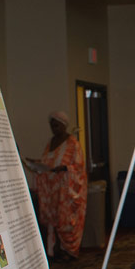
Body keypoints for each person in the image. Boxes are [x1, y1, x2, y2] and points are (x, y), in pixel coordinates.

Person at [33, 111, 87, 259]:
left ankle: (67, 250)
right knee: (52, 220)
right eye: (52, 126)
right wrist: (38, 164)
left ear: (63, 125)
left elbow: (78, 167)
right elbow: (48, 162)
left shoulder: (72, 144)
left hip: (67, 190)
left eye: (56, 125)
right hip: (51, 190)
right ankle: (53, 250)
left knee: (65, 220)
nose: (54, 129)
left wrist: (65, 169)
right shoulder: (50, 143)